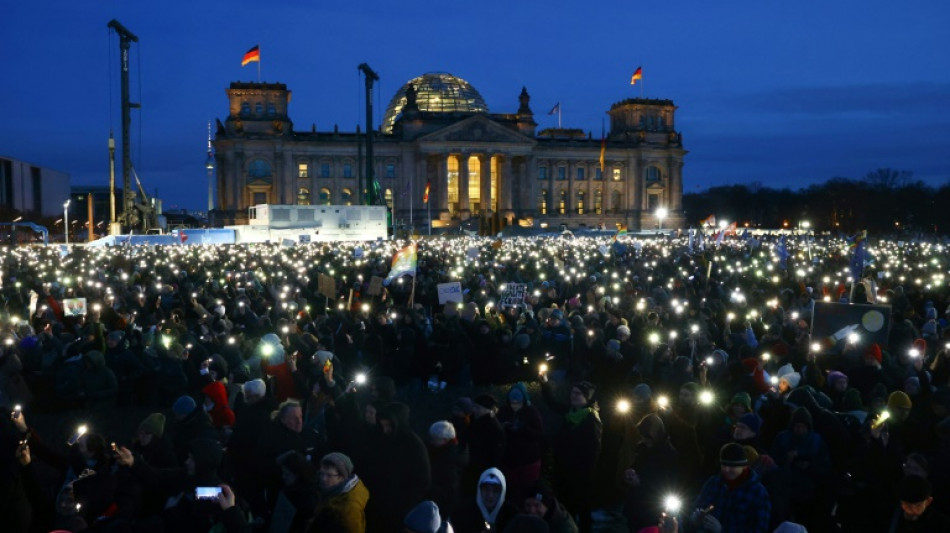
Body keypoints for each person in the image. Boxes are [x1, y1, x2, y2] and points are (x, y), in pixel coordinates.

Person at [691, 443, 771, 533]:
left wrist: (723, 530)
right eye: (724, 465)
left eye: (732, 466)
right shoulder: (713, 483)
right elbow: (697, 505)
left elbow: (760, 529)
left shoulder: (757, 492)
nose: (726, 470)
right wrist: (696, 517)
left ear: (744, 466)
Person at [308, 452, 369, 533]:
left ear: (342, 477)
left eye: (329, 475)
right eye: (322, 473)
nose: (323, 479)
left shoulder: (348, 511)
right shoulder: (329, 491)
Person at [453, 467, 518, 533]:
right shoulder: (464, 513)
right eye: (486, 490)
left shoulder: (512, 516)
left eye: (495, 491)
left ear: (502, 492)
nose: (490, 495)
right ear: (479, 490)